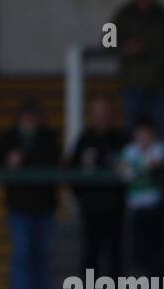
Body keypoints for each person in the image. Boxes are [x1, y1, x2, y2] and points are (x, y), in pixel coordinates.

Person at [0, 98, 61, 289]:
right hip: (18, 206)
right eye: (26, 117)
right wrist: (8, 163)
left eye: (33, 117)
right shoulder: (8, 138)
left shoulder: (48, 137)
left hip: (44, 206)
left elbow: (53, 162)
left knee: (41, 253)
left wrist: (22, 161)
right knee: (21, 252)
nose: (30, 121)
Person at [67, 94, 128, 279]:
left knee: (114, 249)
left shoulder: (121, 138)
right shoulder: (84, 139)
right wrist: (81, 196)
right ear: (91, 114)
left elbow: (130, 168)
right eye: (97, 110)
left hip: (115, 204)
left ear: (111, 113)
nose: (101, 114)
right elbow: (72, 169)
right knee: (90, 249)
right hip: (90, 205)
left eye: (104, 110)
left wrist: (122, 195)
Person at [118, 118, 164, 278]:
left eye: (146, 134)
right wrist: (142, 168)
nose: (143, 137)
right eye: (139, 134)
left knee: (157, 245)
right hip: (136, 205)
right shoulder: (128, 151)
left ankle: (158, 278)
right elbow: (124, 172)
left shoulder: (160, 149)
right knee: (139, 247)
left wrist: (159, 165)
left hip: (156, 203)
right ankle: (144, 278)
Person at [114, 0, 164, 133]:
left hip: (158, 82)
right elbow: (106, 40)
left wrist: (145, 46)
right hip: (132, 82)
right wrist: (125, 47)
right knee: (131, 130)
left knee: (157, 131)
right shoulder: (124, 13)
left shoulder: (162, 14)